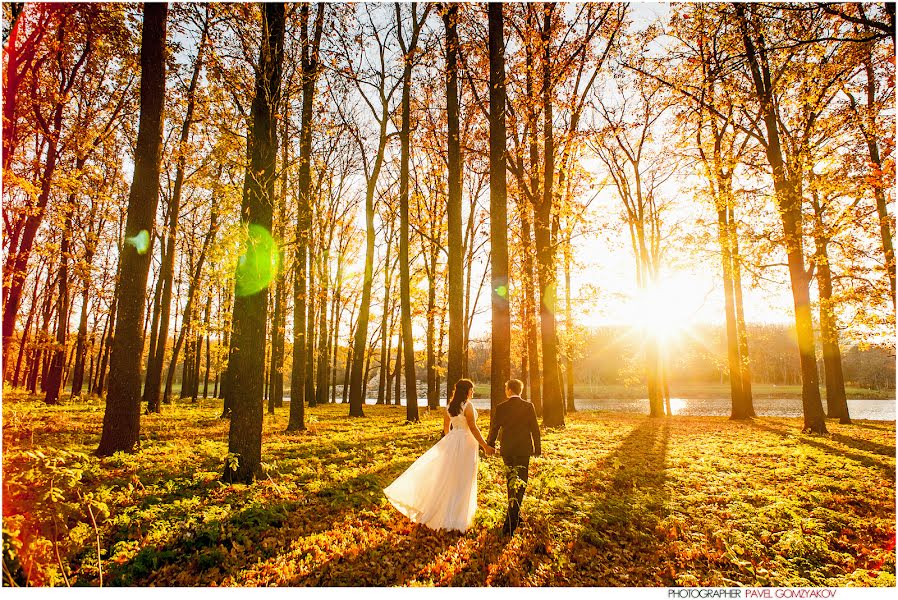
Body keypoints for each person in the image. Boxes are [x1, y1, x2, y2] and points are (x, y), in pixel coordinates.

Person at [383, 378, 494, 532]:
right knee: (464, 478)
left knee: (451, 477)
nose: (473, 392)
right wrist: (485, 446)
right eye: (471, 389)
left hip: (454, 441)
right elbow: (473, 429)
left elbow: (446, 428)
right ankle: (458, 518)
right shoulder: (468, 406)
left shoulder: (450, 406)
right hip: (467, 443)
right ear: (466, 390)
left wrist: (451, 444)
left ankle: (446, 512)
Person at [485, 378, 541, 536]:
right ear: (520, 391)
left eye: (505, 388)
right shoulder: (528, 406)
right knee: (522, 480)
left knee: (511, 480)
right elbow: (535, 429)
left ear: (509, 390)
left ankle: (513, 515)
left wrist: (491, 444)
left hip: (508, 448)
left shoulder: (502, 407)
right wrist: (537, 449)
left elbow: (495, 428)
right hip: (524, 449)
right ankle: (513, 516)